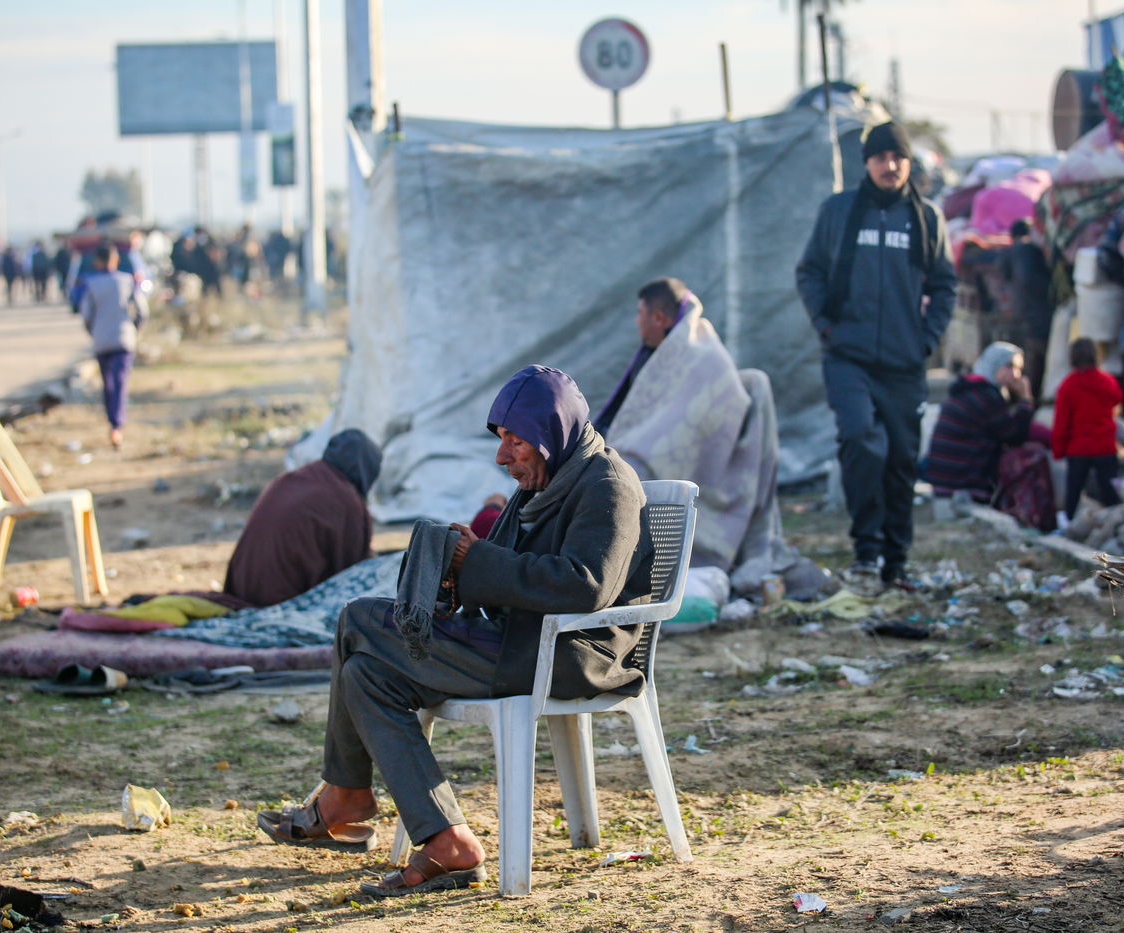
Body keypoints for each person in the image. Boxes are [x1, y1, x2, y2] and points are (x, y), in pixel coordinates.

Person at [256, 365, 654, 898]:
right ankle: (447, 840)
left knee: (358, 618)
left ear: (553, 431)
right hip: (520, 639)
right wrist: (457, 560)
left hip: (567, 656)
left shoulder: (608, 485)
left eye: (516, 441)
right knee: (365, 675)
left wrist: (478, 561)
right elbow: (505, 569)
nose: (503, 455)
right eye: (501, 439)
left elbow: (586, 586)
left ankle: (345, 794)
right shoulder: (546, 480)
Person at [795, 121, 957, 586]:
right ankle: (866, 551)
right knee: (861, 439)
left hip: (905, 363)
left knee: (902, 459)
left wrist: (926, 339)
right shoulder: (839, 211)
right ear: (866, 162)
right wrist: (827, 325)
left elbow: (944, 285)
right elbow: (809, 272)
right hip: (849, 357)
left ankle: (896, 560)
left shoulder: (926, 219)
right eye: (881, 157)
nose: (890, 166)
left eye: (898, 157)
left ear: (909, 162)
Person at [598, 277, 821, 595]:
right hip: (662, 456)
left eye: (640, 314)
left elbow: (695, 419)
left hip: (705, 469)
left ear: (659, 318)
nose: (637, 322)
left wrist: (631, 450)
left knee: (631, 473)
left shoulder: (702, 354)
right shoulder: (658, 356)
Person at [223, 429, 382, 608]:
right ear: (367, 468)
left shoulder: (295, 478)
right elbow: (352, 570)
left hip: (242, 590)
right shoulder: (346, 499)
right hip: (278, 601)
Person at [924, 342, 1036, 501]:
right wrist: (1026, 399)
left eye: (1019, 369)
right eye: (1009, 366)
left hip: (944, 479)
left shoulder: (969, 387)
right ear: (994, 364)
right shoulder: (985, 396)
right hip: (959, 484)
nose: (1016, 375)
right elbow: (1015, 436)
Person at [79, 244, 148, 449]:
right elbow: (142, 310)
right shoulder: (127, 281)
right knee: (120, 382)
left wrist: (95, 332)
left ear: (97, 262)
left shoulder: (91, 284)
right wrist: (134, 329)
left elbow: (86, 314)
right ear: (115, 260)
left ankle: (113, 421)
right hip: (123, 339)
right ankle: (117, 425)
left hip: (102, 340)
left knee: (108, 383)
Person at [1051, 337, 1123, 524]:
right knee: (1110, 493)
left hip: (1079, 449)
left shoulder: (1068, 385)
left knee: (1073, 492)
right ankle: (1115, 524)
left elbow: (1061, 423)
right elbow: (1117, 398)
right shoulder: (1107, 381)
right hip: (1105, 446)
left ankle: (1067, 525)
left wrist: (1058, 451)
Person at [996, 219, 1054, 401]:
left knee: (1029, 359)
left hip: (1020, 315)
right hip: (1042, 313)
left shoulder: (1009, 252)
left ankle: (1026, 397)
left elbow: (1003, 277)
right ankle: (1032, 397)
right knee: (1039, 358)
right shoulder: (1035, 250)